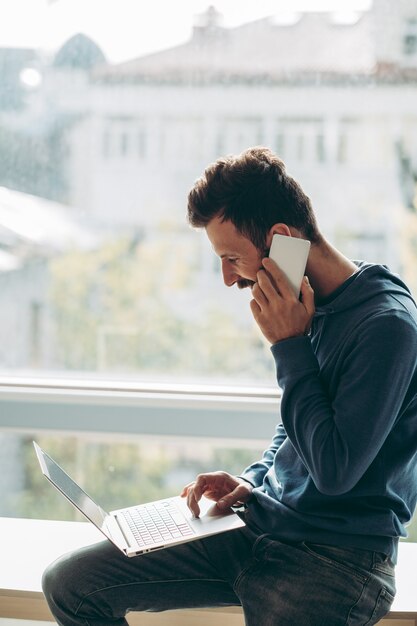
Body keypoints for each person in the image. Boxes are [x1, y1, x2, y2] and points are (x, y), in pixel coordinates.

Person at [42, 147, 417, 625]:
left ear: (281, 238)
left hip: (334, 559)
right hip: (261, 524)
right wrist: (253, 478)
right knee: (71, 585)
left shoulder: (386, 326)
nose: (226, 278)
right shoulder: (312, 304)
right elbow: (298, 427)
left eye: (231, 258)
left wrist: (289, 346)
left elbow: (335, 471)